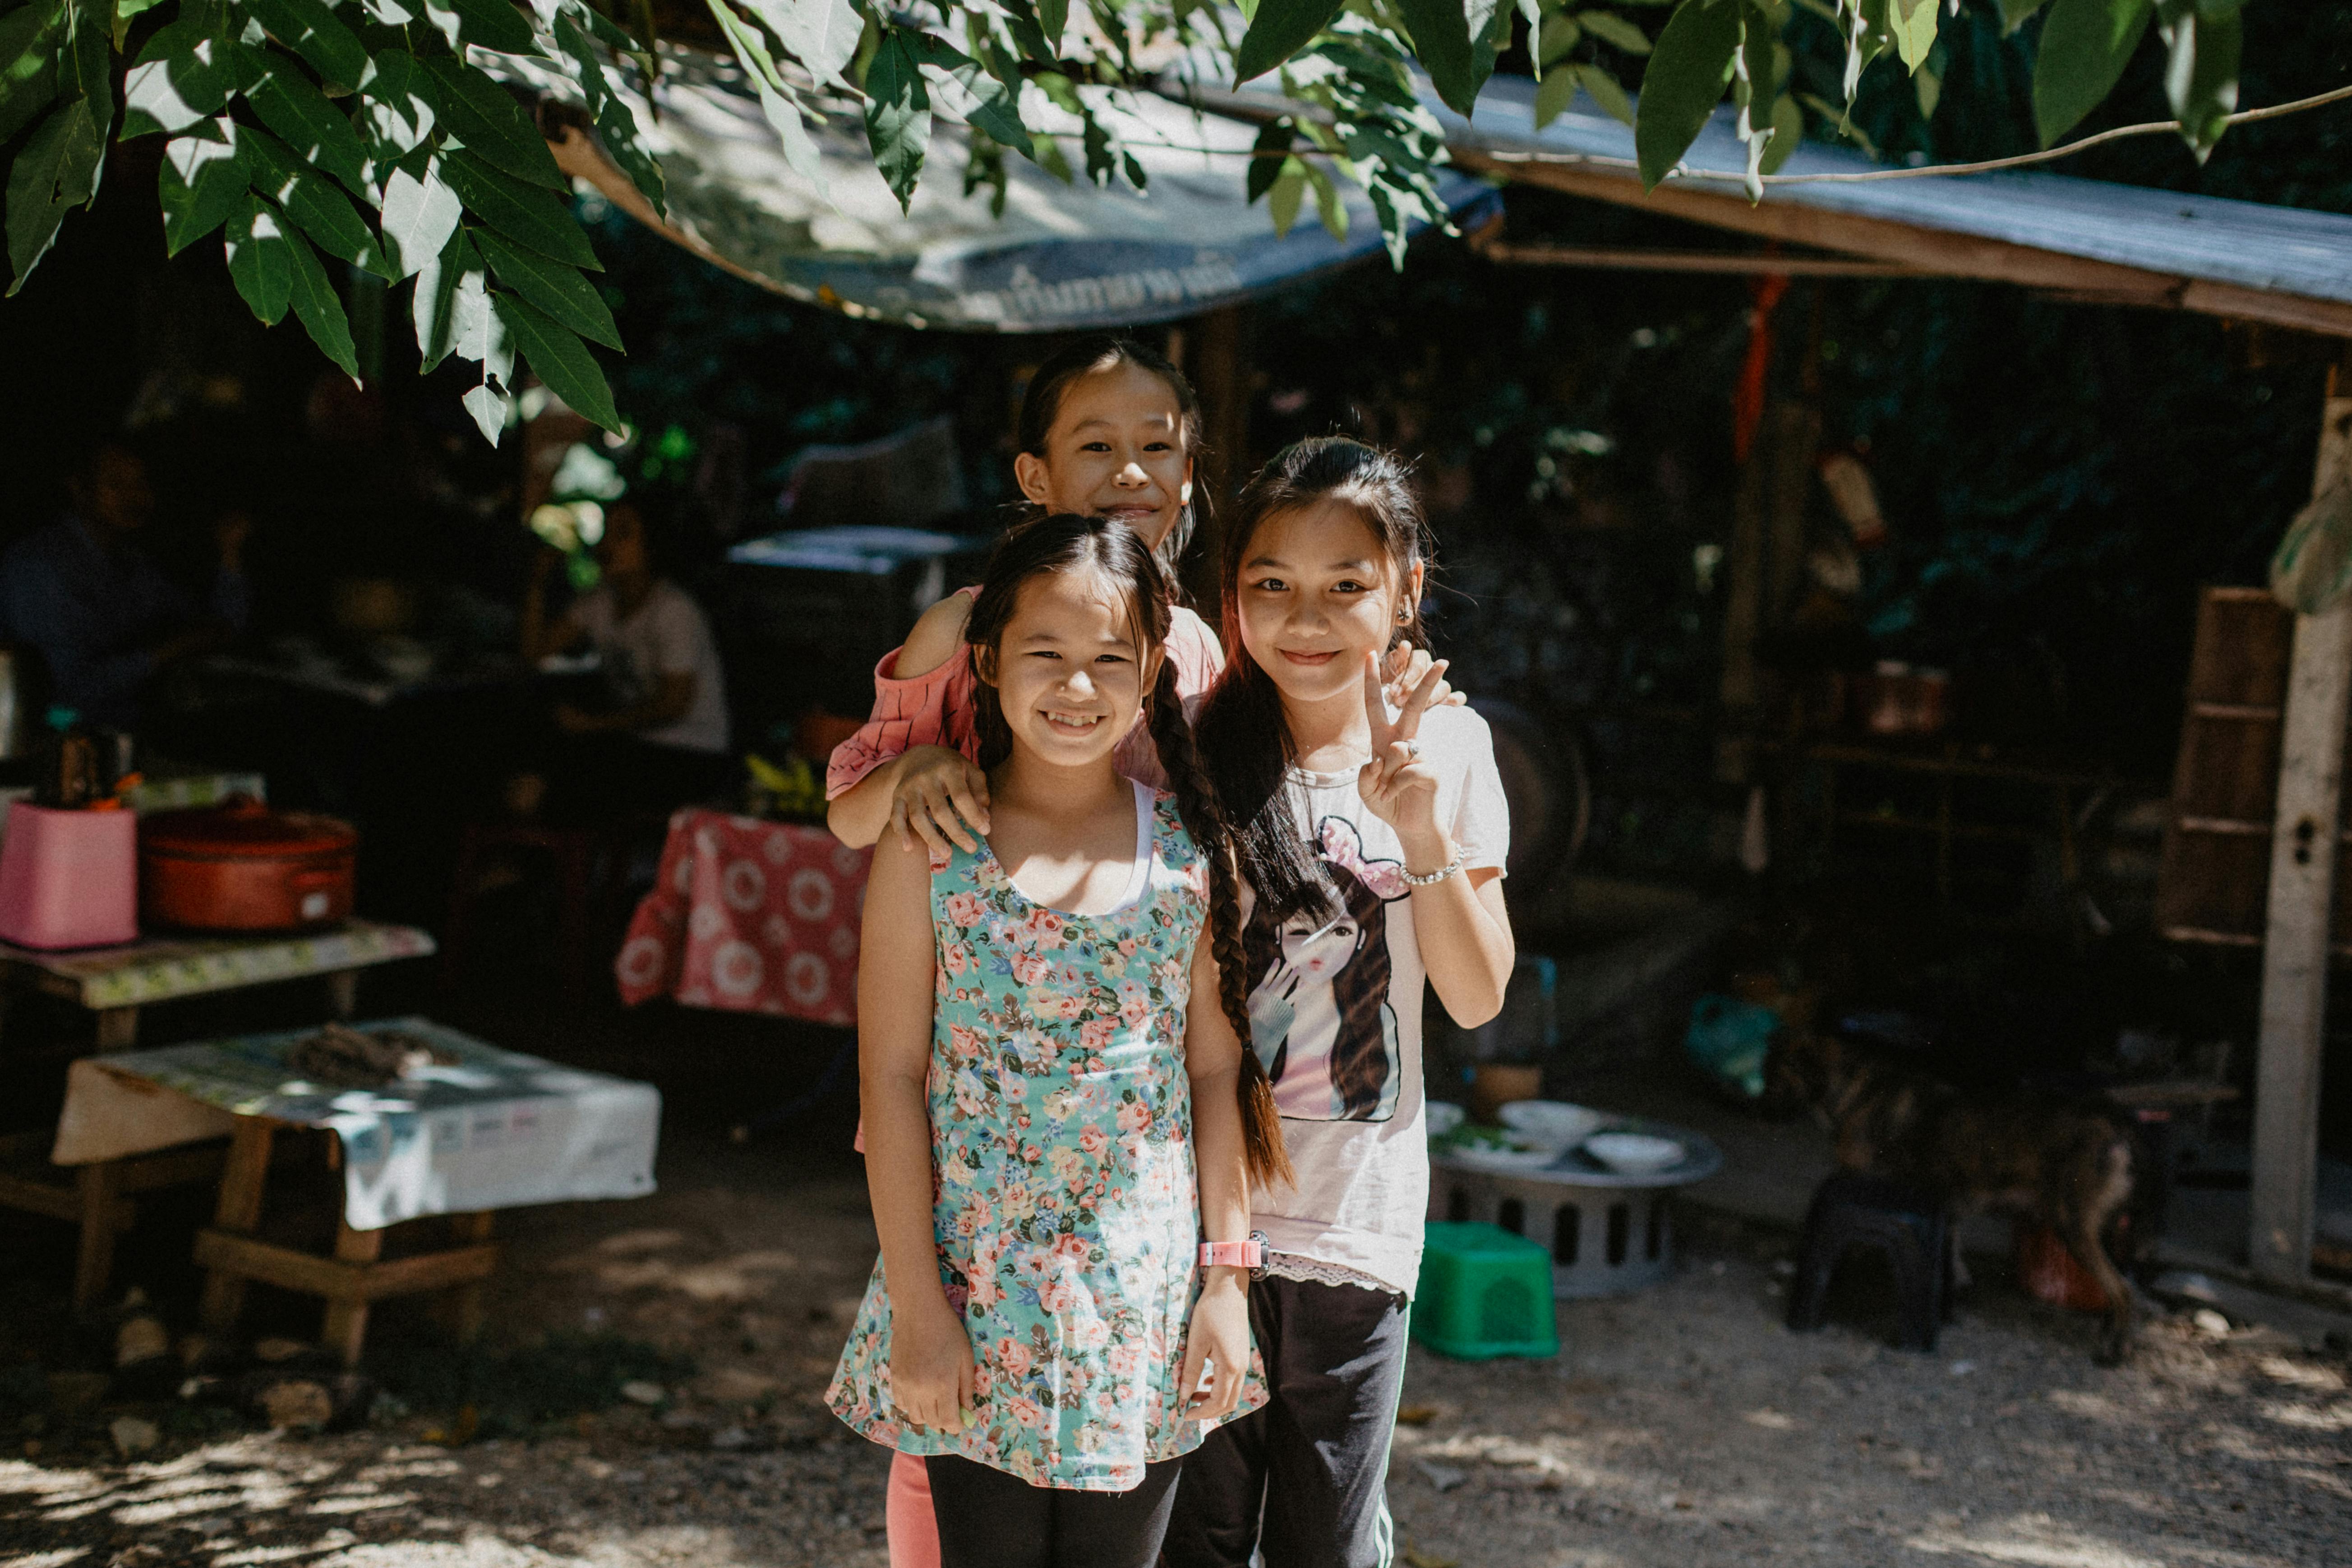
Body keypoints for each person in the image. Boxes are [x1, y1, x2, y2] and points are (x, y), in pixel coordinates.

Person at [821, 340, 1457, 1568]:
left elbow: (1214, 1020)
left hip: (1140, 1200)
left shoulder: (1203, 666)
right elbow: (853, 817)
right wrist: (915, 771)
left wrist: (1407, 771)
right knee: (938, 1466)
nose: (1127, 471)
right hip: (974, 1169)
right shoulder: (963, 631)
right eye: (1092, 445)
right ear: (1029, 471)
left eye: (1155, 445)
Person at [826, 515, 1287, 1568]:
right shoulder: (927, 842)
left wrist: (1225, 1284)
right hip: (970, 1294)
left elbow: (1214, 1070)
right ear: (986, 661)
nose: (1076, 687)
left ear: (1151, 672)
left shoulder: (1186, 853)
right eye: (1046, 654)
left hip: (1142, 1301)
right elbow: (891, 1077)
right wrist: (916, 1305)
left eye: (1108, 660)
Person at [1165, 438, 1517, 1568]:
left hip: (1355, 1223)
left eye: (1344, 585)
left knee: (1328, 1544)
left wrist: (1416, 830)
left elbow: (1473, 996)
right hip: (1191, 1220)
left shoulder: (1452, 749)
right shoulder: (1182, 755)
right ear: (1229, 595)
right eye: (1269, 583)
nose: (1303, 617)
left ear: (1405, 585)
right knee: (1194, 1537)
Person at [0, 437, 249, 730]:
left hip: (118, 727)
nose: (134, 497)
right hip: (42, 729)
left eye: (142, 484)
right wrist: (161, 654)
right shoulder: (37, 566)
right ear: (79, 490)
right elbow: (63, 698)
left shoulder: (133, 566)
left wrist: (230, 554)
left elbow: (219, 627)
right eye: (116, 485)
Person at [516, 497, 732, 817]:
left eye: (623, 534)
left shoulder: (673, 610)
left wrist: (592, 724)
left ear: (652, 545)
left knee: (559, 778)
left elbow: (674, 705)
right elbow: (535, 653)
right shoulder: (600, 602)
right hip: (635, 744)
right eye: (607, 532)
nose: (607, 545)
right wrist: (537, 584)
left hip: (690, 753)